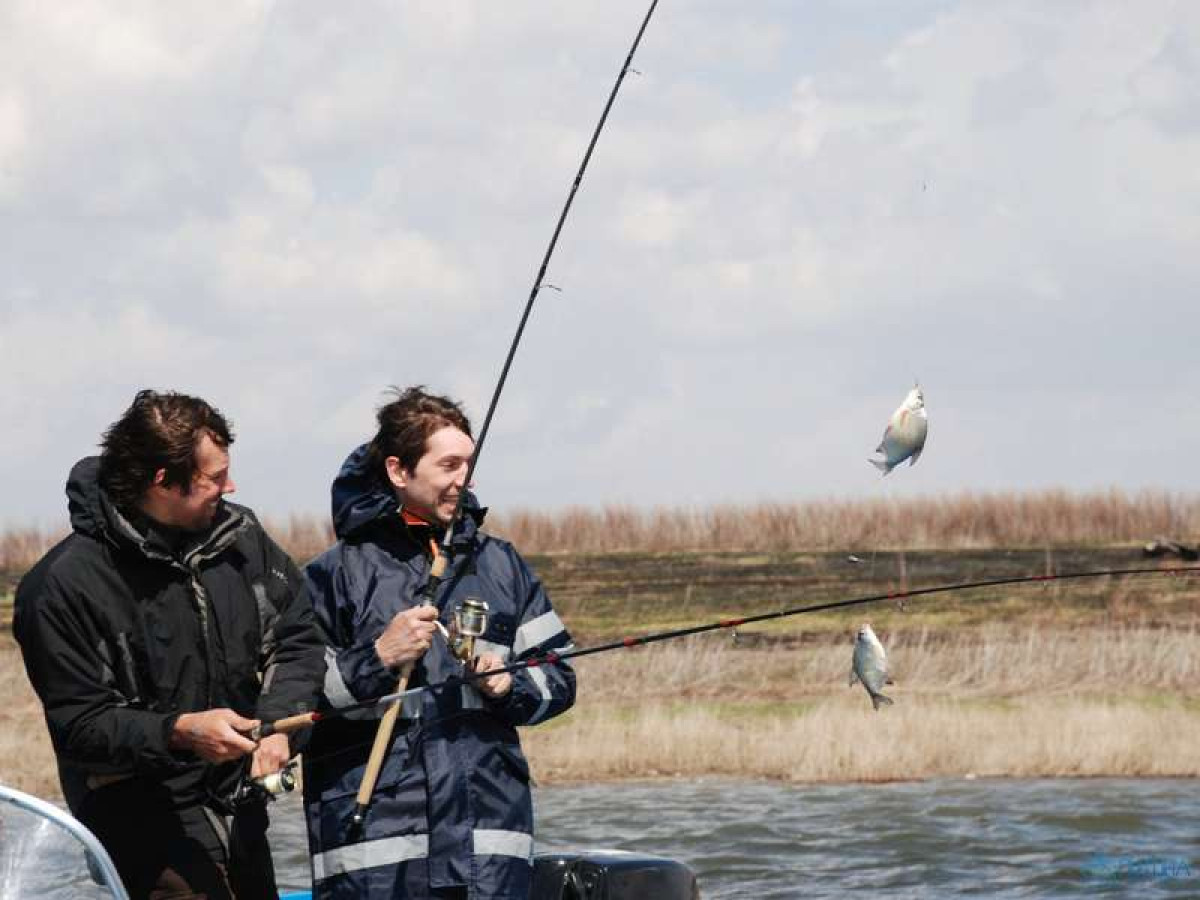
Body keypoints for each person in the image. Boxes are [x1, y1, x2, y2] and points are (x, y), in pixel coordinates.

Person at [14, 390, 325, 900]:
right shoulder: (61, 587)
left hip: (241, 812)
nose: (231, 485)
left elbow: (297, 638)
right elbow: (81, 724)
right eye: (215, 477)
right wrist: (180, 732)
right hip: (142, 827)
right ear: (162, 481)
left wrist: (279, 724)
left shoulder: (240, 538)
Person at [303, 386, 577, 899]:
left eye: (469, 465)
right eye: (449, 465)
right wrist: (377, 658)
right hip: (376, 859)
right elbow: (289, 700)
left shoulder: (502, 564)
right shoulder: (331, 575)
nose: (463, 480)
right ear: (398, 471)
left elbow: (560, 677)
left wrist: (506, 683)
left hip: (489, 854)